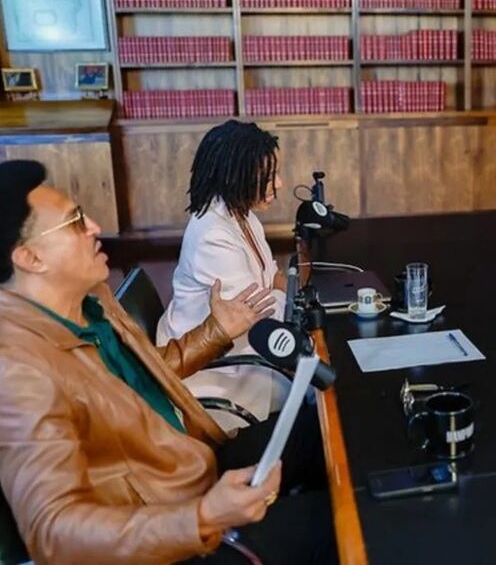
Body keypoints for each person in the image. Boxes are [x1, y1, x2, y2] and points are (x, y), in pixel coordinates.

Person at [0, 160, 334, 564]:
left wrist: (216, 330)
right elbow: (53, 532)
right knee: (335, 524)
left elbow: (139, 377)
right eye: (74, 222)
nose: (94, 226)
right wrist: (202, 517)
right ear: (30, 258)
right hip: (169, 529)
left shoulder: (91, 299)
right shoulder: (17, 370)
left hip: (190, 464)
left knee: (329, 428)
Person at [157, 120, 293, 431]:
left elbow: (272, 279)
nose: (280, 184)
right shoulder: (212, 236)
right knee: (318, 392)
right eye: (269, 177)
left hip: (248, 346)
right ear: (235, 177)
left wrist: (298, 294)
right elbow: (253, 317)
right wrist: (298, 305)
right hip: (220, 374)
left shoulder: (243, 215)